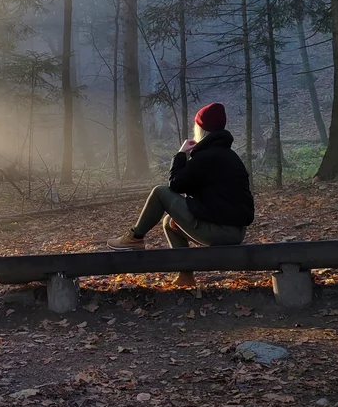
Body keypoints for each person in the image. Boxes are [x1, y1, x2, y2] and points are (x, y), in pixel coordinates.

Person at [106, 102, 255, 286]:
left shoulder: (207, 157)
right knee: (169, 223)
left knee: (160, 192)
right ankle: (185, 277)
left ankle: (134, 238)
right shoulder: (228, 156)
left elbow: (175, 185)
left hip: (220, 233)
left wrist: (180, 154)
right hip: (235, 232)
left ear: (202, 129)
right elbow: (201, 191)